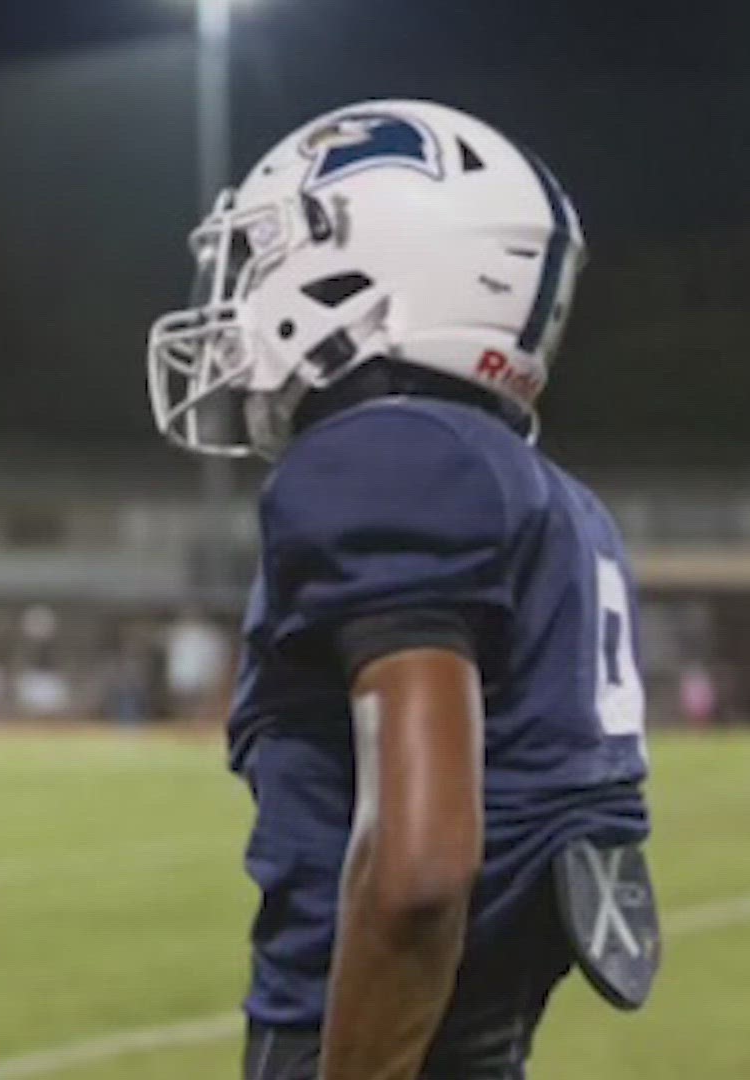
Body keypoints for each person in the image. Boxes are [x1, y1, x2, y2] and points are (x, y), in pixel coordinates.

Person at [146, 100, 658, 1080]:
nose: (240, 293)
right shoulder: (551, 495)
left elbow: (420, 873)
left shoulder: (387, 456)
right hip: (478, 1034)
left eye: (261, 256)